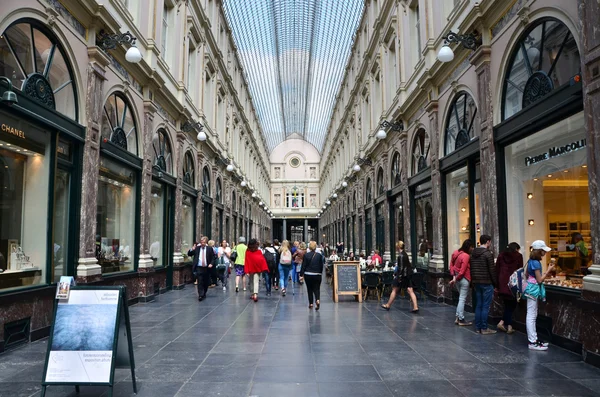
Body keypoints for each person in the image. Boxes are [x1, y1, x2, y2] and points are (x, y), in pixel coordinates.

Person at [524, 240, 554, 350]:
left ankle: (534, 339)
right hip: (534, 290)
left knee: (532, 314)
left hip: (529, 289)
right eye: (543, 250)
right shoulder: (536, 263)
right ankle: (532, 342)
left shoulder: (531, 260)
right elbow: (540, 280)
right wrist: (548, 270)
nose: (545, 253)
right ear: (539, 251)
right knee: (531, 315)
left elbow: (527, 274)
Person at [470, 235, 498, 334]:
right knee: (485, 306)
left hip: (476, 282)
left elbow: (471, 269)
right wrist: (495, 284)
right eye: (490, 242)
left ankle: (478, 327)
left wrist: (473, 281)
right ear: (487, 242)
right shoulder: (487, 254)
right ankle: (484, 328)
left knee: (479, 305)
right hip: (486, 282)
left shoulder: (473, 253)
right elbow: (492, 270)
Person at [381, 241, 418, 312]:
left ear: (398, 247)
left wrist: (398, 276)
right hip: (407, 275)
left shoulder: (400, 256)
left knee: (394, 290)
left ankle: (388, 305)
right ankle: (415, 307)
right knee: (410, 290)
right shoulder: (405, 254)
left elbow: (401, 267)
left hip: (402, 276)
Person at [495, 242, 523, 334]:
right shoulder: (518, 256)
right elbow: (520, 270)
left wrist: (497, 285)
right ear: (516, 249)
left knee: (508, 304)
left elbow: (497, 269)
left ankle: (508, 325)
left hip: (503, 282)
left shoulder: (501, 255)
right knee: (512, 304)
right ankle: (503, 323)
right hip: (513, 283)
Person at [449, 239, 474, 326]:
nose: (472, 248)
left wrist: (454, 277)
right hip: (464, 279)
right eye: (471, 247)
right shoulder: (466, 256)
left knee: (461, 298)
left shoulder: (456, 253)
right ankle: (461, 319)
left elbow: (451, 265)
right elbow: (463, 270)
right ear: (468, 247)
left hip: (457, 278)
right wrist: (457, 278)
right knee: (462, 299)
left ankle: (457, 317)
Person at [300, 241, 324, 309]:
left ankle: (311, 303)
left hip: (308, 274)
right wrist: (320, 273)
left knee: (309, 289)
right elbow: (321, 266)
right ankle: (317, 299)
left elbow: (303, 265)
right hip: (317, 274)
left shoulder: (306, 255)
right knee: (317, 288)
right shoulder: (319, 255)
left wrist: (301, 274)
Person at [191, 236, 216, 302]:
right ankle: (200, 295)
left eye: (204, 242)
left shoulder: (209, 249)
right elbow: (190, 254)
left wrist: (211, 263)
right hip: (199, 267)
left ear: (206, 243)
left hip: (207, 267)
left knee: (206, 281)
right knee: (200, 281)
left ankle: (204, 292)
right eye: (201, 242)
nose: (202, 243)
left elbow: (213, 257)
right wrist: (192, 249)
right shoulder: (197, 248)